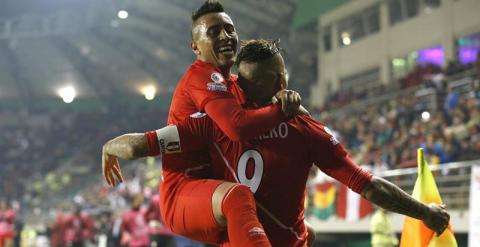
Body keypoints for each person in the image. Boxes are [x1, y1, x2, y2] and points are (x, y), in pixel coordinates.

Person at [103, 39, 451, 246]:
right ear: (270, 82)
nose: (286, 81)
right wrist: (426, 212)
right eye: (279, 76)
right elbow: (365, 184)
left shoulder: (210, 125)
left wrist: (109, 147)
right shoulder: (303, 127)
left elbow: (141, 145)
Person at [103, 1, 304, 247]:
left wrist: (282, 96)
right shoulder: (202, 76)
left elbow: (261, 111)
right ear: (195, 47)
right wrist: (110, 145)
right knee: (237, 197)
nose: (225, 36)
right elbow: (237, 127)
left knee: (298, 230)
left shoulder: (233, 84)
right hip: (184, 193)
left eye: (229, 29)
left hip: (218, 190)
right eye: (214, 32)